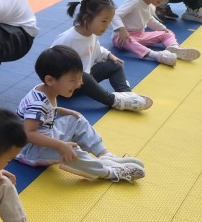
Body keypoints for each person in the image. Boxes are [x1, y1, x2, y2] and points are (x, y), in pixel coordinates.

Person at [16, 45, 146, 182]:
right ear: (50, 80)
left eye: (80, 77)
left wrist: (60, 110)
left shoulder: (45, 90)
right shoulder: (38, 104)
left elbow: (42, 114)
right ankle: (109, 172)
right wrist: (60, 145)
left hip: (46, 135)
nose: (79, 83)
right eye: (73, 80)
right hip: (31, 150)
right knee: (71, 151)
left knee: (76, 119)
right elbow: (28, 133)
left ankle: (104, 155)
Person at [51, 0, 151, 111]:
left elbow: (97, 51)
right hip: (67, 87)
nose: (107, 26)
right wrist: (68, 80)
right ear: (86, 18)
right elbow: (50, 63)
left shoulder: (91, 35)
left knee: (115, 65)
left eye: (109, 21)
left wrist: (109, 55)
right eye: (104, 21)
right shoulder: (68, 39)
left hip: (83, 81)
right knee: (82, 75)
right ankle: (113, 100)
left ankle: (126, 94)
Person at [112, 0, 199, 66]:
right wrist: (122, 30)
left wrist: (163, 29)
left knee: (167, 33)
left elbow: (149, 19)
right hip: (122, 37)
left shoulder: (151, 5)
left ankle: (174, 47)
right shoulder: (134, 2)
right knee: (128, 40)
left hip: (140, 35)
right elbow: (115, 15)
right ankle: (155, 55)